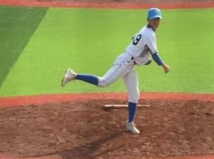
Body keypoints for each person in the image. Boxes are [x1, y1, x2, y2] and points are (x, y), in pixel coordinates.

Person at [60, 7, 170, 135]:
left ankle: (130, 124)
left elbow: (134, 39)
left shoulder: (145, 30)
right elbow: (155, 55)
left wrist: (143, 58)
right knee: (104, 82)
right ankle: (73, 75)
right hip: (125, 62)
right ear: (148, 19)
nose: (156, 22)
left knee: (134, 94)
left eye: (158, 19)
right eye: (154, 19)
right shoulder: (149, 34)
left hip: (130, 64)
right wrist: (163, 65)